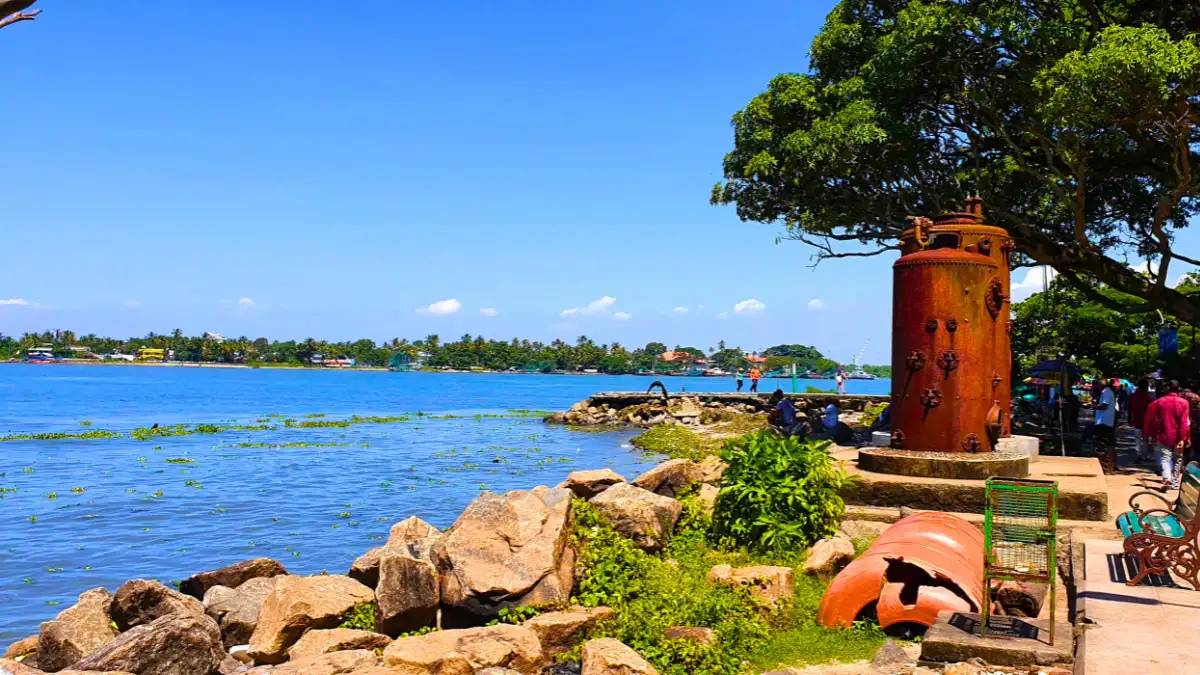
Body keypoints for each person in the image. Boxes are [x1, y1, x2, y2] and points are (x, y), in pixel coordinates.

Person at [1144, 379, 1190, 490]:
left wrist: (1146, 433)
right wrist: (1183, 439)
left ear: (1168, 388)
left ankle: (1167, 478)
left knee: (1165, 458)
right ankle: (1174, 482)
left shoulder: (1159, 402)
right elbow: (1184, 422)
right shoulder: (1184, 403)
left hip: (1163, 435)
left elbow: (1149, 414)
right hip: (1178, 436)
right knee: (1178, 458)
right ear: (1178, 389)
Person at [1092, 378, 1117, 468]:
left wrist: (1094, 406)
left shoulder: (1106, 392)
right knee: (1107, 443)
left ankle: (1106, 464)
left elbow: (1104, 406)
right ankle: (1110, 464)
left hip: (1104, 422)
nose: (1095, 387)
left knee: (1103, 444)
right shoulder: (1106, 392)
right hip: (1105, 421)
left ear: (1101, 385)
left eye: (1096, 385)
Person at [1128, 379, 1152, 462]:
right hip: (1146, 421)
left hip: (1136, 420)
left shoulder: (1133, 396)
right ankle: (1146, 455)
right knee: (1145, 439)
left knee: (1137, 438)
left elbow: (1129, 408)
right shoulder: (1148, 397)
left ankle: (1138, 454)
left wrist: (1129, 419)